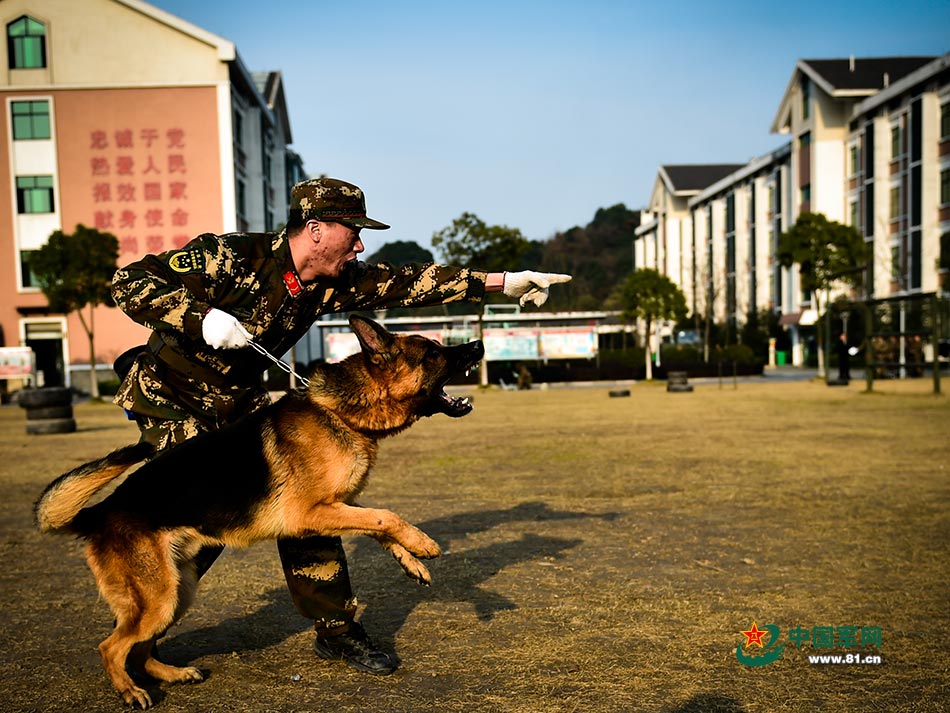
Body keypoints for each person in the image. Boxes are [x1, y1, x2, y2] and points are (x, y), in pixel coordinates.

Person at [110, 177, 570, 676]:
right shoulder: (231, 257)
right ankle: (144, 631)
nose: (360, 244)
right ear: (314, 230)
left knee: (313, 503)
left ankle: (337, 631)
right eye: (352, 231)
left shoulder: (332, 279)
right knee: (203, 516)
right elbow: (128, 283)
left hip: (238, 402)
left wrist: (504, 282)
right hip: (171, 397)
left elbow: (410, 283)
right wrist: (200, 318)